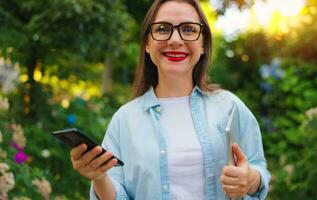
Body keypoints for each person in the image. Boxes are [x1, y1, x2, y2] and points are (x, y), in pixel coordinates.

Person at [70, 0, 271, 199]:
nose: (175, 39)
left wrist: (250, 179)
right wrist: (99, 177)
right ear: (148, 44)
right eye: (163, 29)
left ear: (203, 45)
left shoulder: (230, 107)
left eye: (189, 30)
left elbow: (258, 169)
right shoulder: (124, 120)